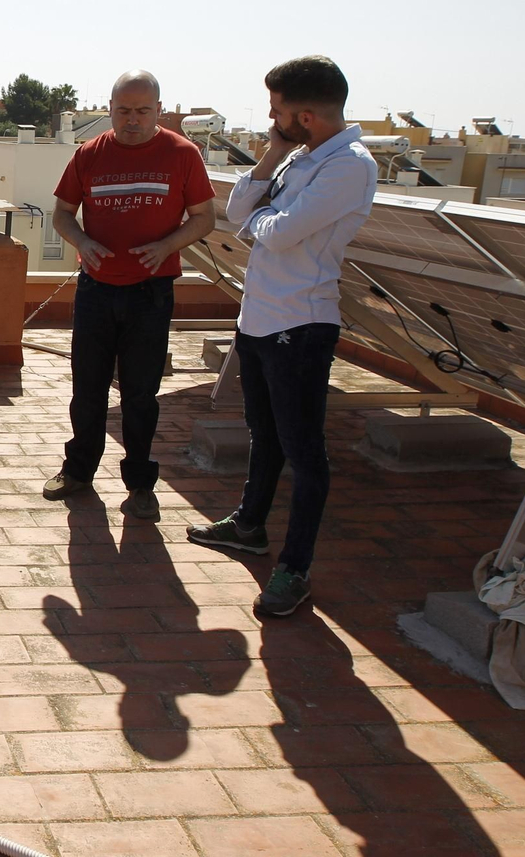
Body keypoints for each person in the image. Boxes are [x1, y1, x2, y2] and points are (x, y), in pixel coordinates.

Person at [187, 55, 377, 617]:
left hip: (302, 323)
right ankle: (249, 525)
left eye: (278, 112)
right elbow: (242, 207)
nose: (270, 118)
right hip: (260, 319)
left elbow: (279, 232)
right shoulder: (298, 154)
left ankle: (294, 568)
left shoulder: (349, 166)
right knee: (263, 433)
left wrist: (266, 216)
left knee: (305, 452)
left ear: (309, 116)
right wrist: (271, 157)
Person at [42, 70, 216, 520]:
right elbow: (61, 214)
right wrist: (82, 241)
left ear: (159, 110)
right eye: (123, 111)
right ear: (110, 110)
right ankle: (78, 472)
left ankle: (140, 484)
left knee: (141, 394)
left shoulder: (183, 154)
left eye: (142, 111)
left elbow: (203, 218)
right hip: (96, 290)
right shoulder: (89, 154)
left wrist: (167, 246)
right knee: (88, 390)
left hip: (150, 294)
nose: (132, 120)